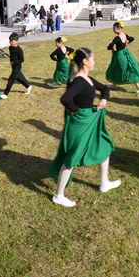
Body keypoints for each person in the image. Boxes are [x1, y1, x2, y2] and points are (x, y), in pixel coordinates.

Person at [48, 47, 121, 207]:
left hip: (90, 120)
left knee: (104, 146)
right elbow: (66, 99)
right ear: (85, 61)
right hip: (80, 123)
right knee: (72, 158)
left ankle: (104, 182)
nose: (94, 61)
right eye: (92, 59)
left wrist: (104, 99)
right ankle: (58, 195)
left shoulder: (88, 79)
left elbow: (105, 88)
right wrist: (77, 111)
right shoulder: (79, 81)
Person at [105, 22, 139, 92]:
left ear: (119, 29)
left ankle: (137, 85)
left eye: (114, 29)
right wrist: (126, 45)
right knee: (127, 68)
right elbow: (132, 39)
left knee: (117, 69)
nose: (113, 30)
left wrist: (113, 50)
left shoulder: (117, 38)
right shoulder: (124, 35)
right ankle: (115, 84)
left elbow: (110, 46)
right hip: (126, 53)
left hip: (119, 55)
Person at [0, 33, 32, 98]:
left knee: (10, 80)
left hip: (17, 67)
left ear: (17, 41)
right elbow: (12, 56)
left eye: (12, 41)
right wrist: (11, 61)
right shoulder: (10, 48)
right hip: (13, 66)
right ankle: (28, 87)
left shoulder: (19, 50)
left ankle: (5, 94)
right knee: (19, 78)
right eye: (10, 41)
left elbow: (22, 59)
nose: (10, 42)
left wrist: (14, 63)